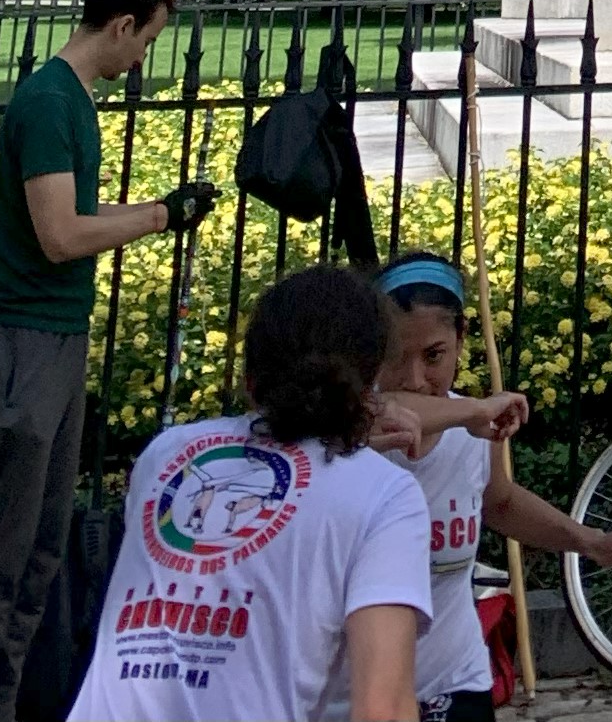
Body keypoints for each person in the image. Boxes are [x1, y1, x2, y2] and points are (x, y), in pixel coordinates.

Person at [0, 0, 217, 722]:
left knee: (39, 555)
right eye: (146, 41)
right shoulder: (48, 102)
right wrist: (157, 216)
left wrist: (163, 211)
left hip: (58, 342)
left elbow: (79, 217)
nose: (143, 59)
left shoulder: (75, 102)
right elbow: (60, 235)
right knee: (0, 559)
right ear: (122, 25)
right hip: (21, 345)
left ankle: (5, 706)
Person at [69, 264, 430, 722]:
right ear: (373, 376)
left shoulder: (165, 456)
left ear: (250, 372)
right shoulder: (384, 496)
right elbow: (384, 710)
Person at [371, 257, 612, 722]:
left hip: (454, 681)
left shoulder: (472, 429)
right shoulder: (350, 426)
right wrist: (473, 411)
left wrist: (594, 542)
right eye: (394, 357)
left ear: (461, 339)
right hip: (362, 692)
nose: (416, 378)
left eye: (434, 355)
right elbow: (387, 407)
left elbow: (499, 502)